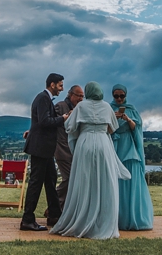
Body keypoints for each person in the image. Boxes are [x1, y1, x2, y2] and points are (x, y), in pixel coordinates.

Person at [50, 82, 131, 240]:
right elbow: (111, 128)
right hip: (103, 144)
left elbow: (69, 126)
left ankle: (82, 218)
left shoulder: (81, 107)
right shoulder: (107, 107)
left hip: (85, 144)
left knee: (84, 181)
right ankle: (103, 221)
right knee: (104, 181)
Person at [20, 72, 66, 231]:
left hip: (45, 150)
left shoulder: (45, 99)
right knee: (36, 183)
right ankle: (27, 219)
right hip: (40, 149)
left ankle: (54, 215)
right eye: (60, 85)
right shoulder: (42, 98)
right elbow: (44, 121)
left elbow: (38, 123)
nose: (62, 88)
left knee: (51, 181)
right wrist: (63, 118)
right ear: (52, 84)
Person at [112, 83, 154, 230]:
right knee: (116, 184)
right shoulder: (109, 109)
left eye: (121, 96)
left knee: (133, 182)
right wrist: (114, 119)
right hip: (115, 147)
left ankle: (135, 217)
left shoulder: (132, 110)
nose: (118, 99)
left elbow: (137, 128)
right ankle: (118, 219)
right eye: (116, 96)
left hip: (129, 148)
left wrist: (128, 119)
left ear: (125, 95)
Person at [44, 83, 84, 218]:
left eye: (83, 97)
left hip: (75, 151)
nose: (81, 99)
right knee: (68, 179)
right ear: (70, 94)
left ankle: (59, 210)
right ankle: (53, 208)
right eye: (79, 96)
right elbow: (49, 121)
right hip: (61, 148)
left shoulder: (80, 109)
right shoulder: (60, 106)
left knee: (74, 180)